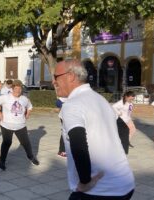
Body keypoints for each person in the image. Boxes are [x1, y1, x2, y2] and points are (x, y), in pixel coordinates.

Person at [53, 59, 134, 199]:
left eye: (55, 77)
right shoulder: (100, 99)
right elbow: (124, 129)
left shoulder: (72, 104)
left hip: (98, 192)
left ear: (71, 76)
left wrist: (85, 181)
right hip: (125, 184)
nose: (53, 82)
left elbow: (78, 144)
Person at [0, 79, 39, 171]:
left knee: (26, 143)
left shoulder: (24, 99)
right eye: (16, 88)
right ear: (12, 89)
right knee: (7, 143)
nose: (18, 90)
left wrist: (27, 115)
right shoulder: (5, 97)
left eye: (19, 89)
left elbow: (30, 107)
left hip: (20, 125)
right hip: (6, 125)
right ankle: (2, 161)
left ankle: (31, 157)